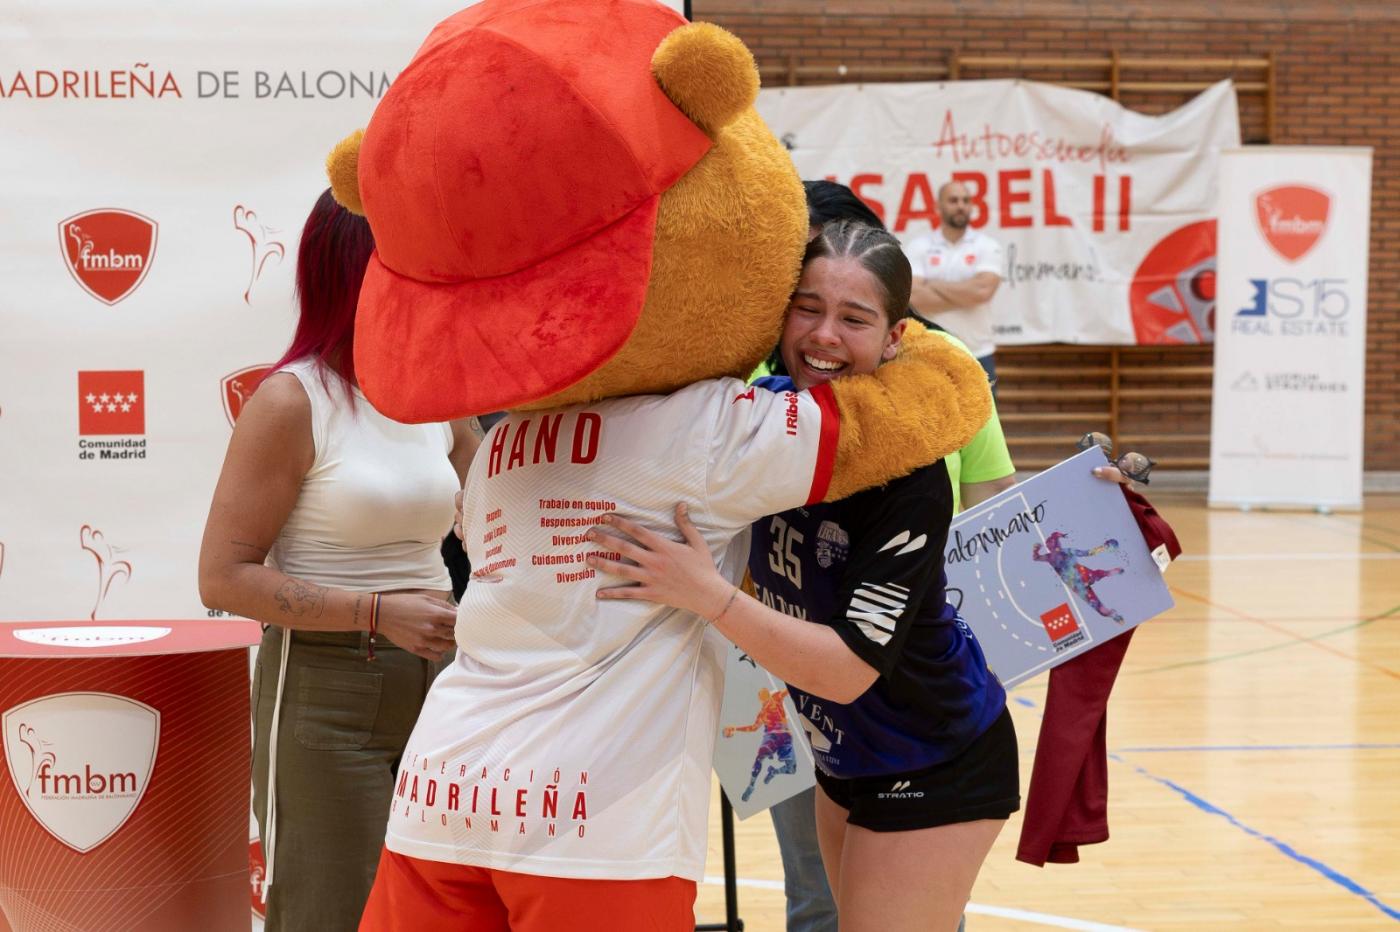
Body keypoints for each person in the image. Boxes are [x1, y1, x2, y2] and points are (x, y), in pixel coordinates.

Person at [589, 220, 1019, 932]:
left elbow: (849, 671)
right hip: (843, 753)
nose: (824, 335)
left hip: (935, 751)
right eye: (807, 308)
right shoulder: (764, 421)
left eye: (854, 319)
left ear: (894, 337)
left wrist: (706, 595)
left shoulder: (908, 477)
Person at [197, 189, 478, 931]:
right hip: (325, 688)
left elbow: (499, 505)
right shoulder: (291, 401)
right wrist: (377, 612)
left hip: (446, 684)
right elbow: (221, 578)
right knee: (329, 914)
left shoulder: (436, 396)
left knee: (440, 914)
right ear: (355, 270)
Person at [903, 180, 1005, 389]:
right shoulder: (918, 246)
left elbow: (982, 292)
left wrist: (933, 284)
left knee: (983, 412)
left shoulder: (987, 246)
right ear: (938, 207)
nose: (960, 206)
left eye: (965, 201)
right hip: (929, 352)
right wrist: (966, 294)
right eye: (953, 200)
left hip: (977, 352)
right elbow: (914, 298)